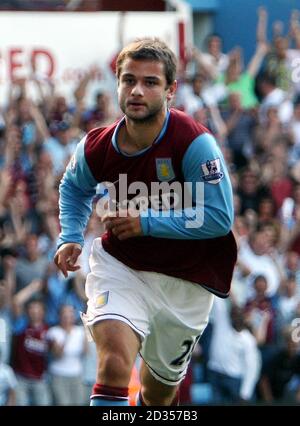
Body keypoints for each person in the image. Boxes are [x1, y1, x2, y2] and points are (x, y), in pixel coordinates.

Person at [54, 38, 237, 406]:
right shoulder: (96, 146)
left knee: (157, 396)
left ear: (171, 90)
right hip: (122, 268)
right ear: (118, 85)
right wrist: (70, 236)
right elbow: (74, 188)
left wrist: (147, 222)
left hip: (186, 284)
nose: (137, 90)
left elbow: (219, 217)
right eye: (128, 80)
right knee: (115, 365)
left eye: (150, 82)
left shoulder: (194, 143)